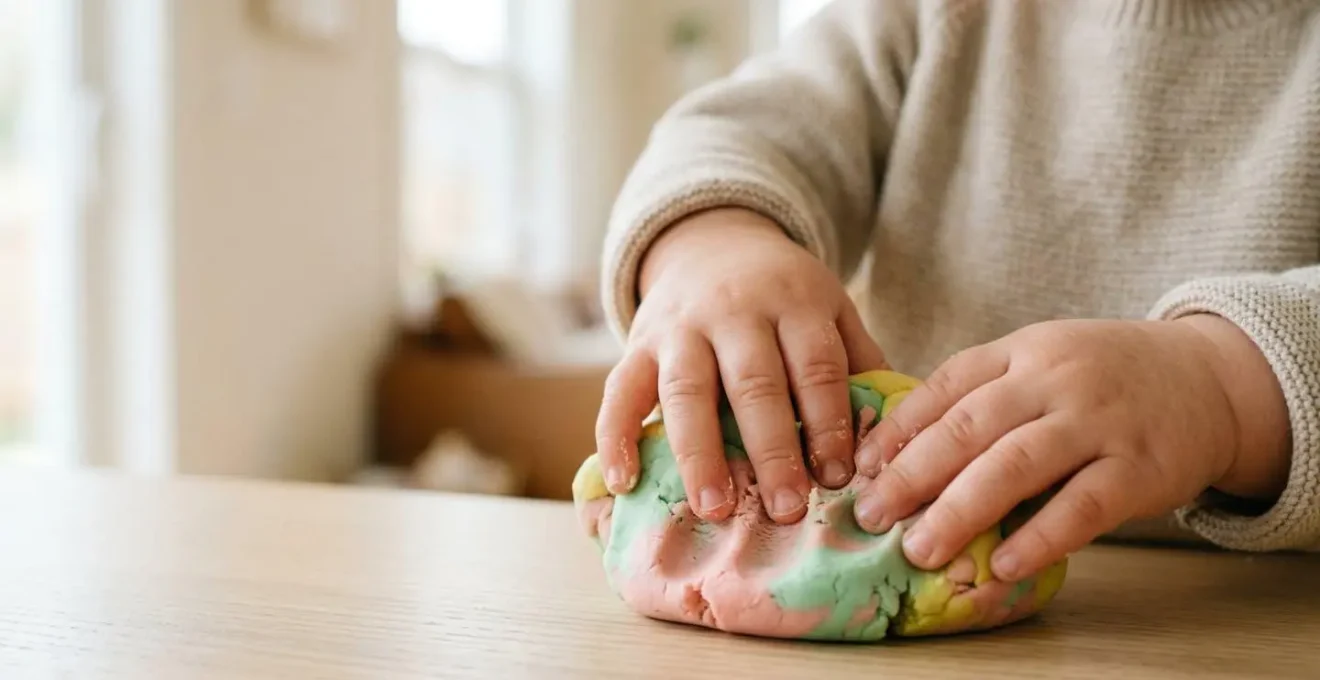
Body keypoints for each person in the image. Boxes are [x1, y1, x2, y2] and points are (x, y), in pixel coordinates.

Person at [591, 0, 1320, 582]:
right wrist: (711, 242)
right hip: (913, 570)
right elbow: (739, 130)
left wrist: (1221, 391)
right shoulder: (923, 15)